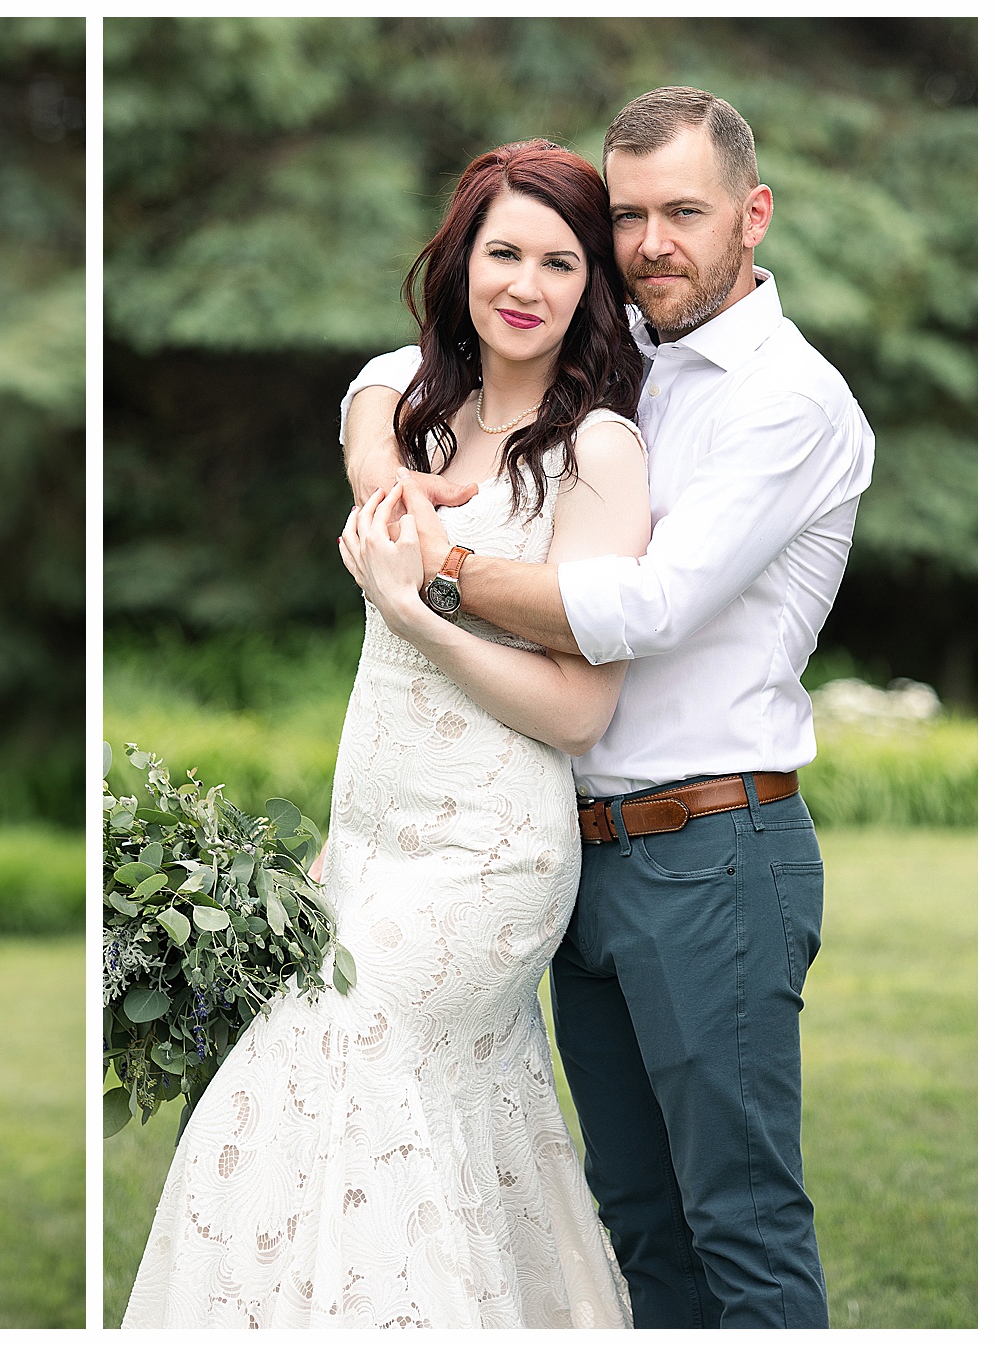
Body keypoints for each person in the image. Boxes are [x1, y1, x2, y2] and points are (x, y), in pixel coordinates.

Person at [342, 88, 874, 1329]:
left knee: (738, 1217)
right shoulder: (636, 337)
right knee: (636, 1220)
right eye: (628, 215)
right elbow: (398, 366)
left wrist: (440, 565)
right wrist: (387, 469)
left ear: (755, 214)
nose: (650, 244)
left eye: (683, 212)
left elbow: (641, 605)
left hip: (712, 848)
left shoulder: (787, 402)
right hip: (574, 855)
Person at [125, 140, 651, 1329]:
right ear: (461, 262)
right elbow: (366, 392)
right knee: (386, 1114)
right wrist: (387, 471)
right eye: (502, 251)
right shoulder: (414, 417)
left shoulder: (597, 452)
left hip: (492, 855)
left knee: (335, 1060)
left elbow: (582, 706)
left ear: (592, 289)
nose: (525, 283)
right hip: (364, 846)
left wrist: (424, 609)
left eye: (560, 261)